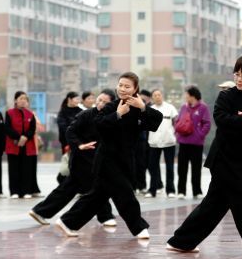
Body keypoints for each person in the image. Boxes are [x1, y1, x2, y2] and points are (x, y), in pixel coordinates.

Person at [167, 55, 242, 254]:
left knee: (214, 205)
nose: (239, 79)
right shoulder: (226, 96)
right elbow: (222, 120)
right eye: (237, 74)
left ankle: (181, 241)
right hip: (223, 157)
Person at [55, 73, 162, 240]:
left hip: (126, 159)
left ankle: (68, 222)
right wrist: (118, 114)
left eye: (127, 86)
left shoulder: (138, 107)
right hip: (107, 159)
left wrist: (143, 107)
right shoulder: (111, 107)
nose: (123, 89)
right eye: (121, 85)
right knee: (126, 193)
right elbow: (99, 125)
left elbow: (155, 122)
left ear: (135, 89)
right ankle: (139, 227)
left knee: (97, 197)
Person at [29, 90, 116, 228]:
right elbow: (70, 131)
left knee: (69, 188)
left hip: (95, 159)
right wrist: (79, 145)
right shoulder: (86, 114)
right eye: (99, 100)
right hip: (81, 159)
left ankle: (40, 211)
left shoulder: (110, 118)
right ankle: (105, 216)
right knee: (96, 187)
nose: (100, 103)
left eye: (105, 102)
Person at [175, 86, 211, 199]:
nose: (185, 96)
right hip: (183, 142)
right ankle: (181, 191)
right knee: (182, 168)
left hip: (197, 143)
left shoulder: (203, 107)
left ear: (192, 96)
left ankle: (197, 191)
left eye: (186, 94)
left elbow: (207, 123)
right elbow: (177, 121)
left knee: (196, 168)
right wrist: (177, 134)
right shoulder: (183, 107)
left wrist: (200, 135)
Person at [5, 91, 39, 199]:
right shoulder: (9, 113)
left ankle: (26, 191)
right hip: (14, 144)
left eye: (25, 99)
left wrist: (25, 137)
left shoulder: (30, 114)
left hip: (27, 145)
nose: (23, 101)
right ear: (15, 100)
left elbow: (32, 129)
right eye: (21, 98)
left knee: (27, 169)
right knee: (14, 169)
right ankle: (14, 191)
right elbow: (8, 128)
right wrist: (18, 137)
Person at [146, 89, 179, 198]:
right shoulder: (150, 109)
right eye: (155, 95)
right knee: (153, 167)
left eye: (159, 95)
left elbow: (176, 122)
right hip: (154, 142)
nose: (157, 97)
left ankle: (171, 190)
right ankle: (152, 190)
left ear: (162, 96)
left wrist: (175, 134)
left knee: (170, 167)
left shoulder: (170, 108)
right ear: (152, 98)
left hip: (169, 141)